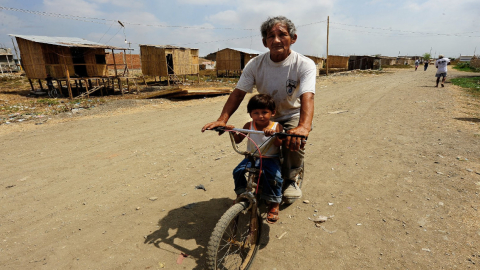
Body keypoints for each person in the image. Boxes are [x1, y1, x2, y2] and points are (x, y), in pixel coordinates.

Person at [201, 16, 316, 202]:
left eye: (282, 34)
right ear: (265, 42)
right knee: (256, 148)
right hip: (266, 114)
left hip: (291, 114)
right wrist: (222, 119)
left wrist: (303, 126)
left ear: (293, 38)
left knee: (293, 142)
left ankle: (290, 179)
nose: (276, 40)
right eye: (271, 36)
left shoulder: (304, 64)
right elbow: (238, 93)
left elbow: (307, 96)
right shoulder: (255, 64)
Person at [226, 94, 284, 223]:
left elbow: (279, 144)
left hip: (270, 158)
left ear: (272, 113)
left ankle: (274, 203)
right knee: (238, 171)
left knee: (275, 178)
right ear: (250, 114)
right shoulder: (249, 125)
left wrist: (274, 135)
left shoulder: (276, 126)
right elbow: (238, 139)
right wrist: (232, 131)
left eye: (264, 112)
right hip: (252, 157)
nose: (260, 116)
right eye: (256, 113)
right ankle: (241, 194)